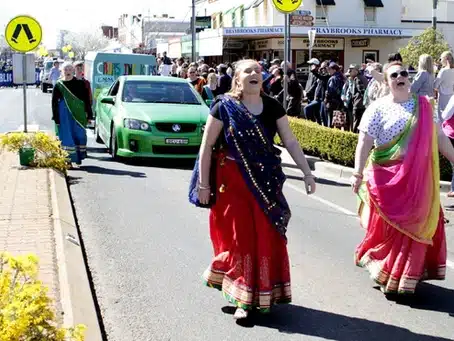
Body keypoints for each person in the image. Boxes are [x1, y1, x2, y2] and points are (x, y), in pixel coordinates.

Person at [188, 59, 316, 320]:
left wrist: (306, 171)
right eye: (248, 71)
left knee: (268, 235)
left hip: (266, 182)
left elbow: (289, 140)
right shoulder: (224, 106)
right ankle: (241, 297)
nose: (255, 74)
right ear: (237, 78)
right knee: (242, 237)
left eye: (258, 71)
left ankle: (264, 290)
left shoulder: (272, 106)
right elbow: (207, 146)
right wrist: (203, 184)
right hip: (233, 182)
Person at [351, 61, 454, 295]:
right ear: (387, 82)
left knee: (417, 223)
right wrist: (357, 173)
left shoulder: (425, 105)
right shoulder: (377, 108)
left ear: (409, 78)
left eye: (404, 73)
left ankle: (408, 274)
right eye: (394, 75)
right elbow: (364, 143)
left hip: (418, 180)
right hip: (385, 178)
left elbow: (439, 137)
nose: (400, 77)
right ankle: (387, 268)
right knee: (390, 228)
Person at [51, 62, 93, 167]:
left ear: (73, 71)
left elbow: (86, 100)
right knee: (67, 137)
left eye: (70, 69)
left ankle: (78, 156)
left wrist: (89, 114)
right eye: (65, 69)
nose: (68, 72)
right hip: (64, 115)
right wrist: (56, 117)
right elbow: (54, 102)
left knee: (80, 135)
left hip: (79, 114)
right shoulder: (59, 84)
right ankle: (68, 160)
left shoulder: (80, 84)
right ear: (62, 71)